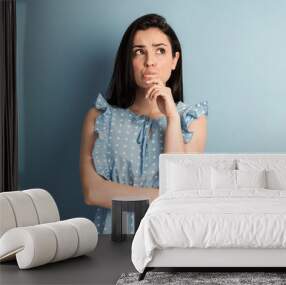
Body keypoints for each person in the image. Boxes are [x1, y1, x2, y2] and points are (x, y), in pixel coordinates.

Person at [79, 14, 208, 234]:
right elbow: (92, 193)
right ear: (127, 61)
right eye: (139, 52)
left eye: (160, 50)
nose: (150, 61)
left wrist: (172, 118)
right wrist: (163, 196)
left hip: (168, 238)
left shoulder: (192, 120)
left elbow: (179, 189)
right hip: (112, 239)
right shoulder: (100, 117)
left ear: (175, 60)